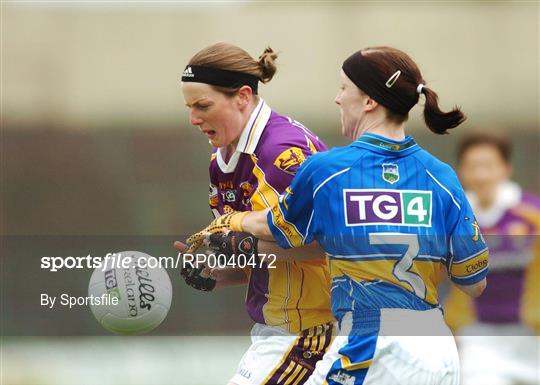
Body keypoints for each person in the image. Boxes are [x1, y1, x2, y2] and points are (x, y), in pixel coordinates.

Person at [189, 46, 489, 385]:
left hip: (372, 343)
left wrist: (229, 224)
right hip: (438, 349)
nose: (337, 98)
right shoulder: (442, 177)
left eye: (344, 88)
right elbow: (475, 283)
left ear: (369, 101)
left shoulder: (329, 171)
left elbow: (274, 226)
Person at [176, 42, 334, 385]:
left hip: (312, 332)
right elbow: (270, 253)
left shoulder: (280, 153)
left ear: (243, 96)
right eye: (189, 107)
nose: (193, 118)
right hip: (274, 331)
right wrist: (224, 272)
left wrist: (242, 247)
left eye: (203, 105)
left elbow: (329, 244)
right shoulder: (221, 162)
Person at [444, 132, 539, 385]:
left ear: (506, 168)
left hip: (532, 337)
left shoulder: (533, 215)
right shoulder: (452, 219)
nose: (481, 175)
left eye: (488, 166)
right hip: (479, 340)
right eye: (473, 167)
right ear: (461, 171)